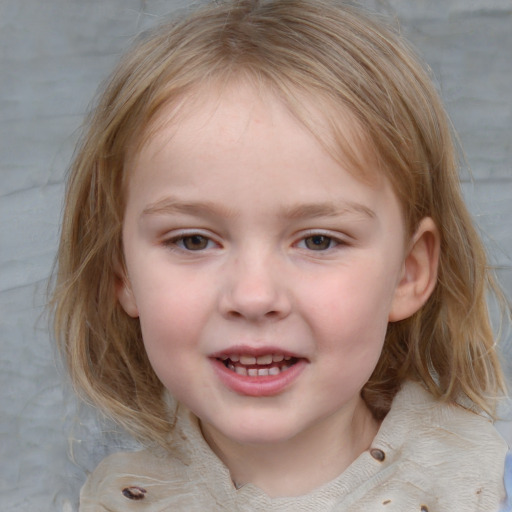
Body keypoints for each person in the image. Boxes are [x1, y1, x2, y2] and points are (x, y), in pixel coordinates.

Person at [51, 0, 510, 510]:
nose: (253, 296)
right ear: (123, 272)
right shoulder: (117, 500)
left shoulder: (487, 485)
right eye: (193, 241)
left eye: (318, 241)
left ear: (409, 271)